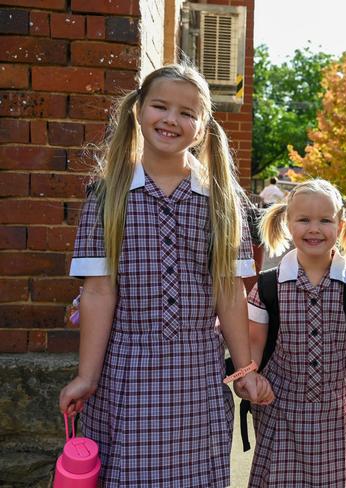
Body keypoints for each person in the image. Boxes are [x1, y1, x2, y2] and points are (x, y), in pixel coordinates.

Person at [58, 64, 273, 487]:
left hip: (198, 373)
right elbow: (99, 291)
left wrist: (244, 370)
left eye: (187, 113)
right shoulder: (109, 193)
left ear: (202, 126)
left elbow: (229, 292)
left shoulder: (221, 199)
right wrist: (87, 375)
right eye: (160, 106)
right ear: (138, 110)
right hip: (124, 371)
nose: (172, 119)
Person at [247, 179, 346, 487]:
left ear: (341, 223)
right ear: (286, 222)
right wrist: (247, 380)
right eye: (304, 219)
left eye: (325, 220)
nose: (314, 229)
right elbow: (253, 345)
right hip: (278, 412)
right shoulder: (268, 286)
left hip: (337, 416)